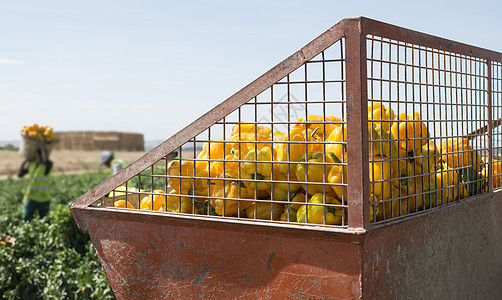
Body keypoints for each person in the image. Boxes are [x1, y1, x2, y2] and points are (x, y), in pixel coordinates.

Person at [18, 142, 53, 221]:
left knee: (44, 219)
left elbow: (45, 159)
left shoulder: (48, 165)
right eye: (37, 156)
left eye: (39, 156)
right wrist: (24, 161)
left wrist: (42, 144)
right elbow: (20, 174)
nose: (38, 158)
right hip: (31, 196)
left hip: (44, 198)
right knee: (26, 217)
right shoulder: (32, 164)